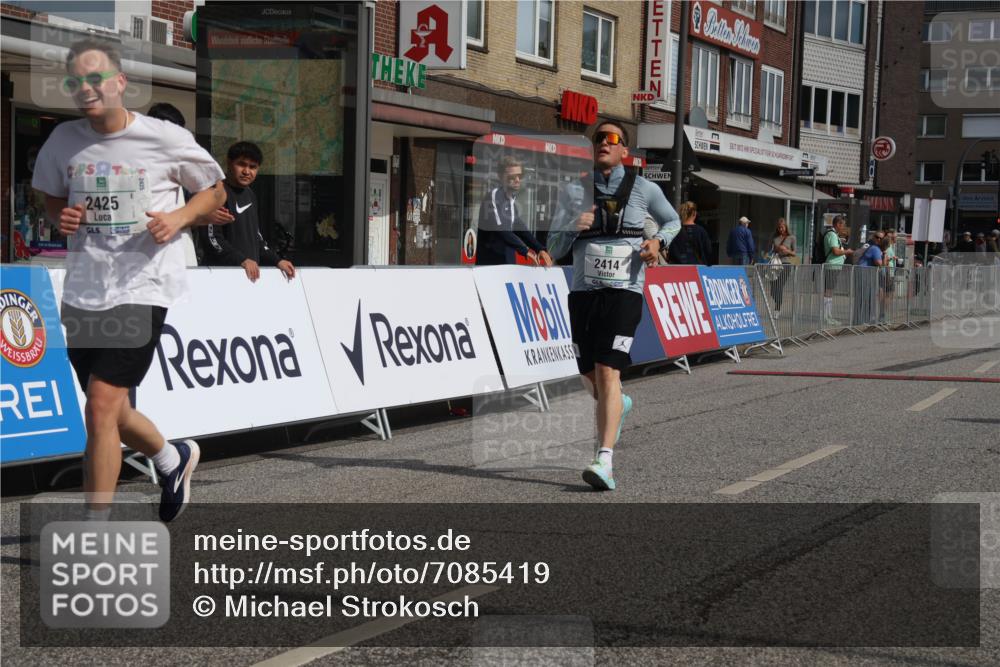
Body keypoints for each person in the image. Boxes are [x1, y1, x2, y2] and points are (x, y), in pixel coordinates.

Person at [32, 39, 227, 521]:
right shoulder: (63, 140)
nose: (86, 88)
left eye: (96, 78)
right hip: (85, 287)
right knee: (110, 410)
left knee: (100, 405)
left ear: (121, 83)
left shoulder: (162, 137)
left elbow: (214, 189)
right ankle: (170, 457)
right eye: (76, 81)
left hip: (143, 284)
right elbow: (47, 196)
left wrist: (180, 217)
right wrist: (63, 216)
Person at [548, 120, 680, 491]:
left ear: (624, 149)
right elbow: (554, 248)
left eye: (611, 139)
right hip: (583, 294)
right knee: (589, 374)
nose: (603, 143)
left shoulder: (644, 188)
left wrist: (659, 244)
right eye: (598, 139)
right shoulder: (573, 191)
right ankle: (618, 403)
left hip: (625, 292)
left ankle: (604, 459)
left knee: (607, 370)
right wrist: (574, 226)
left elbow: (672, 221)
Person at [199, 141, 296, 282]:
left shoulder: (250, 195)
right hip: (219, 279)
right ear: (229, 163)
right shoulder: (216, 192)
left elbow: (256, 238)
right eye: (241, 164)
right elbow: (212, 239)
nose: (247, 171)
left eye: (253, 167)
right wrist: (241, 260)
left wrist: (277, 261)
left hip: (248, 279)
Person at [146, 102, 200, 267]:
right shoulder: (135, 164)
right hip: (147, 254)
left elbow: (209, 198)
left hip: (182, 252)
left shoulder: (185, 165)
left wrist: (204, 216)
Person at [476, 156, 553, 267]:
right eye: (512, 177)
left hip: (508, 264)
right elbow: (500, 229)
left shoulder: (512, 202)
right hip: (490, 265)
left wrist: (539, 249)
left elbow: (521, 229)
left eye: (520, 176)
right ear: (500, 177)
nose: (517, 180)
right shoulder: (494, 196)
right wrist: (525, 250)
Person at [821, 216, 854, 327]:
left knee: (829, 292)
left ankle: (828, 315)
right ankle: (826, 316)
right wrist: (847, 252)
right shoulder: (831, 234)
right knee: (828, 292)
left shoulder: (834, 235)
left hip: (835, 266)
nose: (843, 227)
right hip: (832, 266)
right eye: (842, 225)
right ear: (838, 224)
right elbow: (835, 251)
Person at [666, 201, 711, 265]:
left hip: (676, 268)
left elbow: (669, 250)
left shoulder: (674, 230)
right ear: (694, 213)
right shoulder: (701, 231)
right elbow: (708, 251)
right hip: (696, 268)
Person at [769, 218, 796, 313]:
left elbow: (794, 253)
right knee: (773, 289)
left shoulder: (791, 237)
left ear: (786, 227)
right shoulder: (774, 237)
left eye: (782, 227)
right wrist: (777, 249)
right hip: (775, 264)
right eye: (779, 228)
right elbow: (770, 250)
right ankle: (778, 301)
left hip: (786, 264)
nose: (781, 229)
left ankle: (777, 308)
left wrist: (786, 250)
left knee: (779, 285)